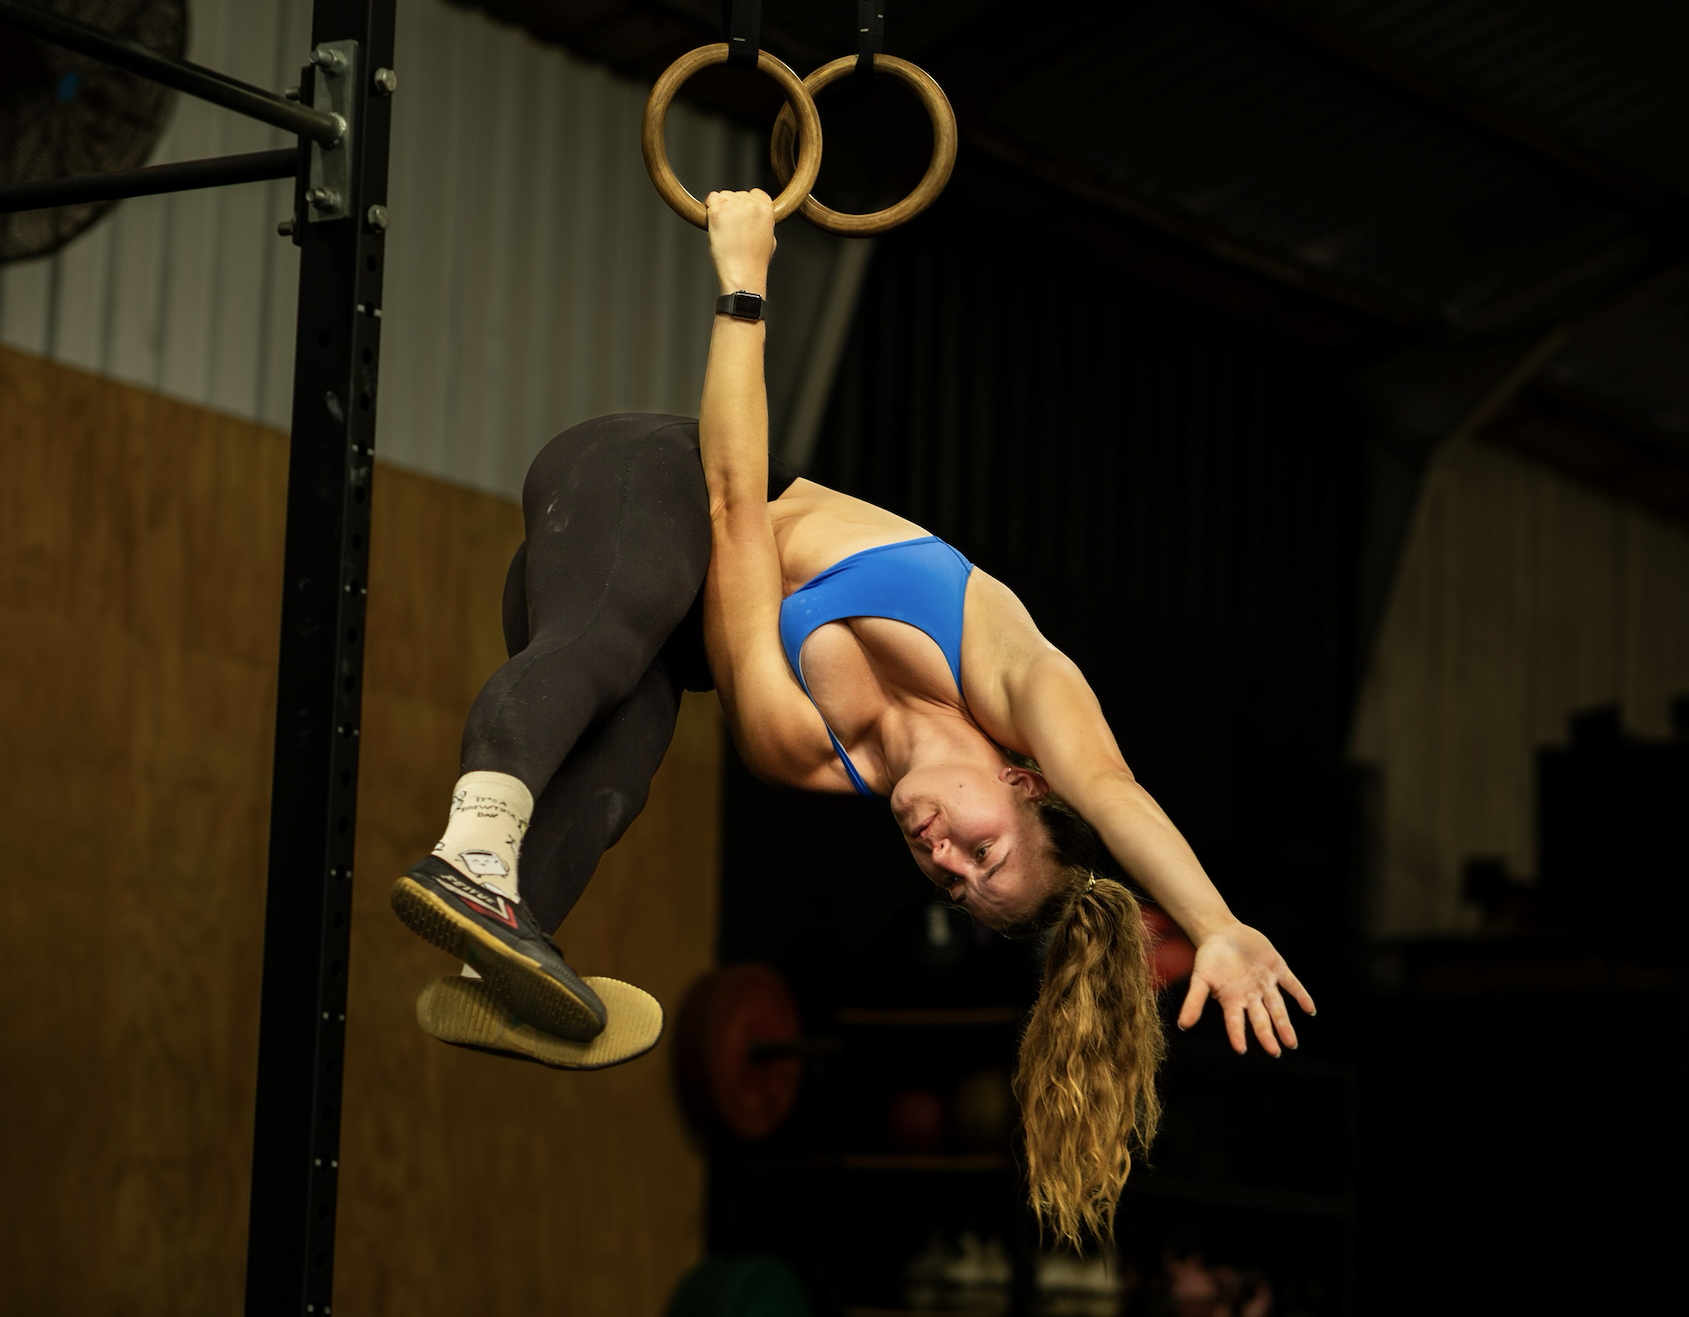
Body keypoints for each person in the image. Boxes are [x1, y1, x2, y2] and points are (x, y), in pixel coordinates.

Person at [392, 189, 1314, 1246]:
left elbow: (730, 560)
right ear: (1024, 782)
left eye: (951, 882)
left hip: (630, 587)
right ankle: (472, 856)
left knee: (622, 763)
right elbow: (735, 499)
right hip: (640, 481)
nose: (945, 860)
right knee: (606, 650)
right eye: (981, 850)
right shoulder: (1008, 667)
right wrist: (1216, 926)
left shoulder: (801, 754)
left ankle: (499, 956)